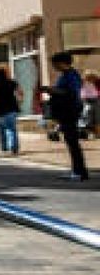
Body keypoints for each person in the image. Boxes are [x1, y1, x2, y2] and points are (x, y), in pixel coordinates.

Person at [41, 52, 89, 181]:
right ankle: (77, 170)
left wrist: (51, 90)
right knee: (71, 142)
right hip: (66, 111)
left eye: (55, 64)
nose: (54, 66)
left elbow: (71, 92)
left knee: (73, 142)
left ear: (62, 63)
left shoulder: (71, 75)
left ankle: (79, 172)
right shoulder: (66, 75)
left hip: (70, 111)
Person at [0, 67, 22, 155]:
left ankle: (4, 148)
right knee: (12, 129)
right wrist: (20, 101)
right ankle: (14, 148)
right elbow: (20, 92)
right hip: (12, 109)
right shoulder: (12, 82)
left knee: (2, 129)